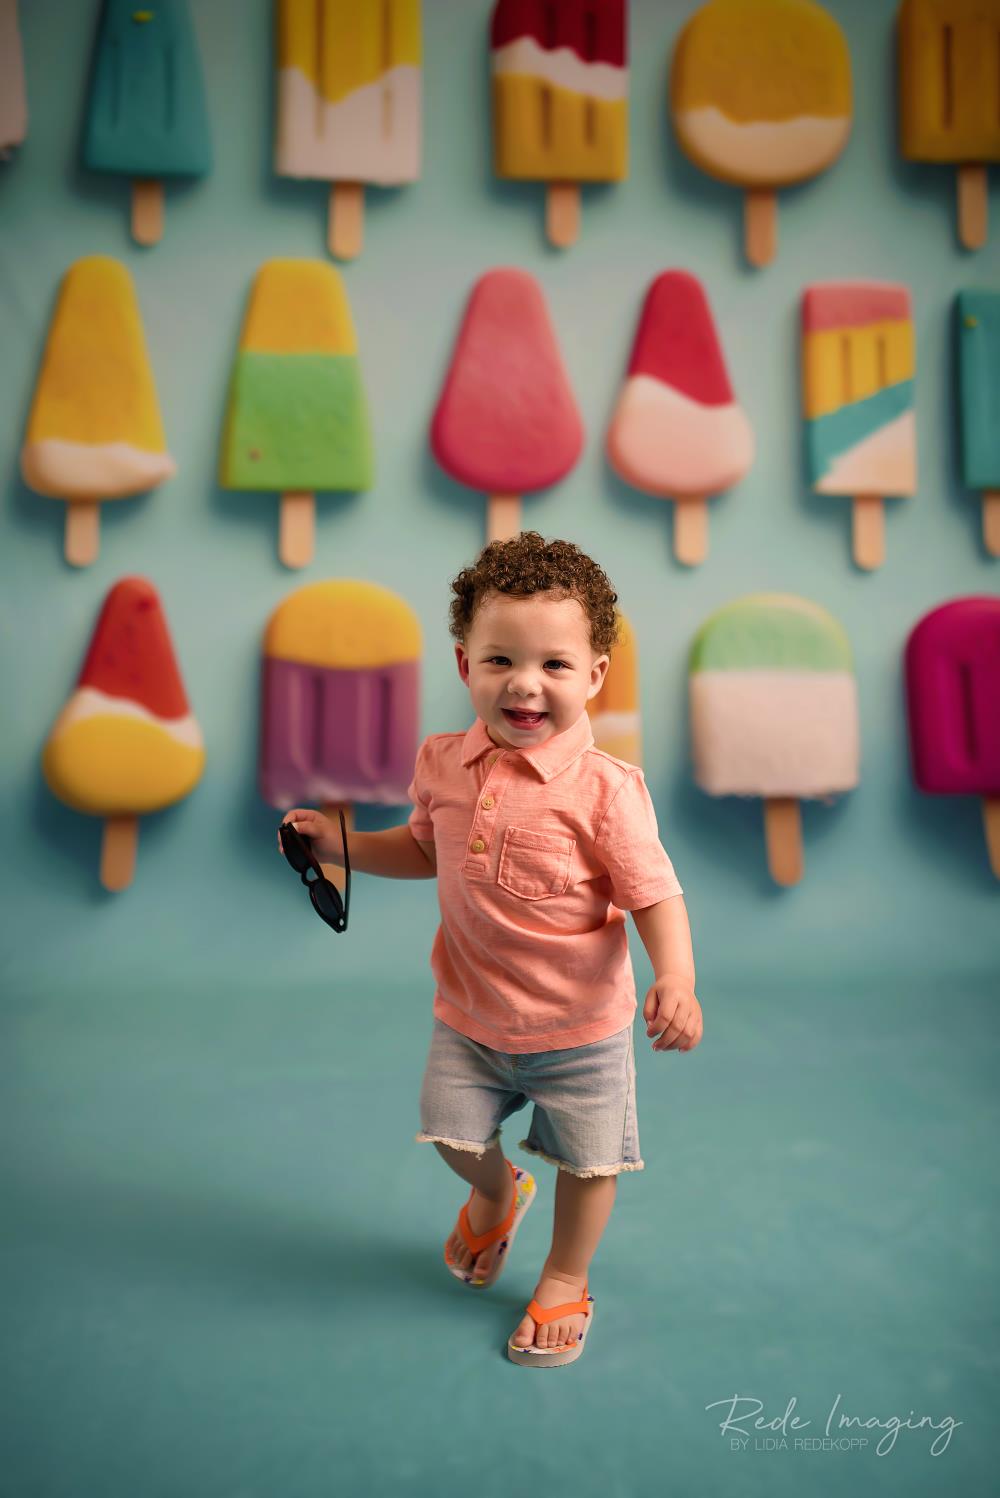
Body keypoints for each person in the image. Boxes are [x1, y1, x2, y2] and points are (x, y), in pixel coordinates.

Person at [278, 532, 702, 1366]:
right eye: (501, 659)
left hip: (580, 1028)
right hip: (470, 1016)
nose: (525, 683)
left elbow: (654, 893)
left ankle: (564, 1277)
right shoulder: (443, 763)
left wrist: (677, 976)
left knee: (588, 1164)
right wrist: (339, 844)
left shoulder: (608, 792)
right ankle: (499, 1195)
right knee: (454, 1138)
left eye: (554, 665)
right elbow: (425, 849)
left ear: (596, 676)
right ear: (465, 661)